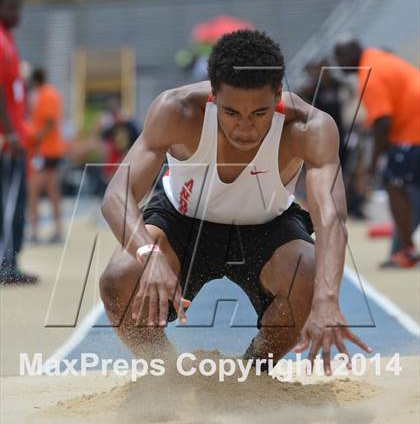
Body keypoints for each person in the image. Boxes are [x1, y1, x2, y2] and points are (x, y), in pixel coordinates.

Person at [100, 30, 372, 374]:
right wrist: (148, 255)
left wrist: (327, 300)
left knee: (310, 274)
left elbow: (331, 220)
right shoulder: (177, 110)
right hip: (183, 221)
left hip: (267, 227)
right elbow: (116, 195)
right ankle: (167, 372)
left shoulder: (309, 127)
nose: (245, 128)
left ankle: (254, 371)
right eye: (230, 113)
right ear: (213, 94)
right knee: (120, 276)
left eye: (259, 114)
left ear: (278, 95)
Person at [335, 39, 420, 268]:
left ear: (352, 54)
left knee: (395, 185)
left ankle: (407, 251)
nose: (338, 63)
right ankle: (406, 248)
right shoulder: (377, 58)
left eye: (340, 57)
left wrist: (374, 163)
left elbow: (383, 122)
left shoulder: (369, 73)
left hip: (411, 132)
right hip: (411, 127)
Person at [0, 0, 38, 285]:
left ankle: (10, 260)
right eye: (11, 8)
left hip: (15, 137)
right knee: (9, 203)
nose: (17, 15)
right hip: (7, 140)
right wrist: (11, 135)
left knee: (15, 202)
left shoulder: (8, 39)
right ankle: (5, 264)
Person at [27, 67, 65, 243]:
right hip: (51, 150)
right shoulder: (49, 93)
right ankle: (57, 229)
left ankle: (34, 232)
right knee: (52, 190)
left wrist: (35, 138)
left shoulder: (45, 95)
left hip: (45, 151)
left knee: (34, 190)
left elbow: (49, 122)